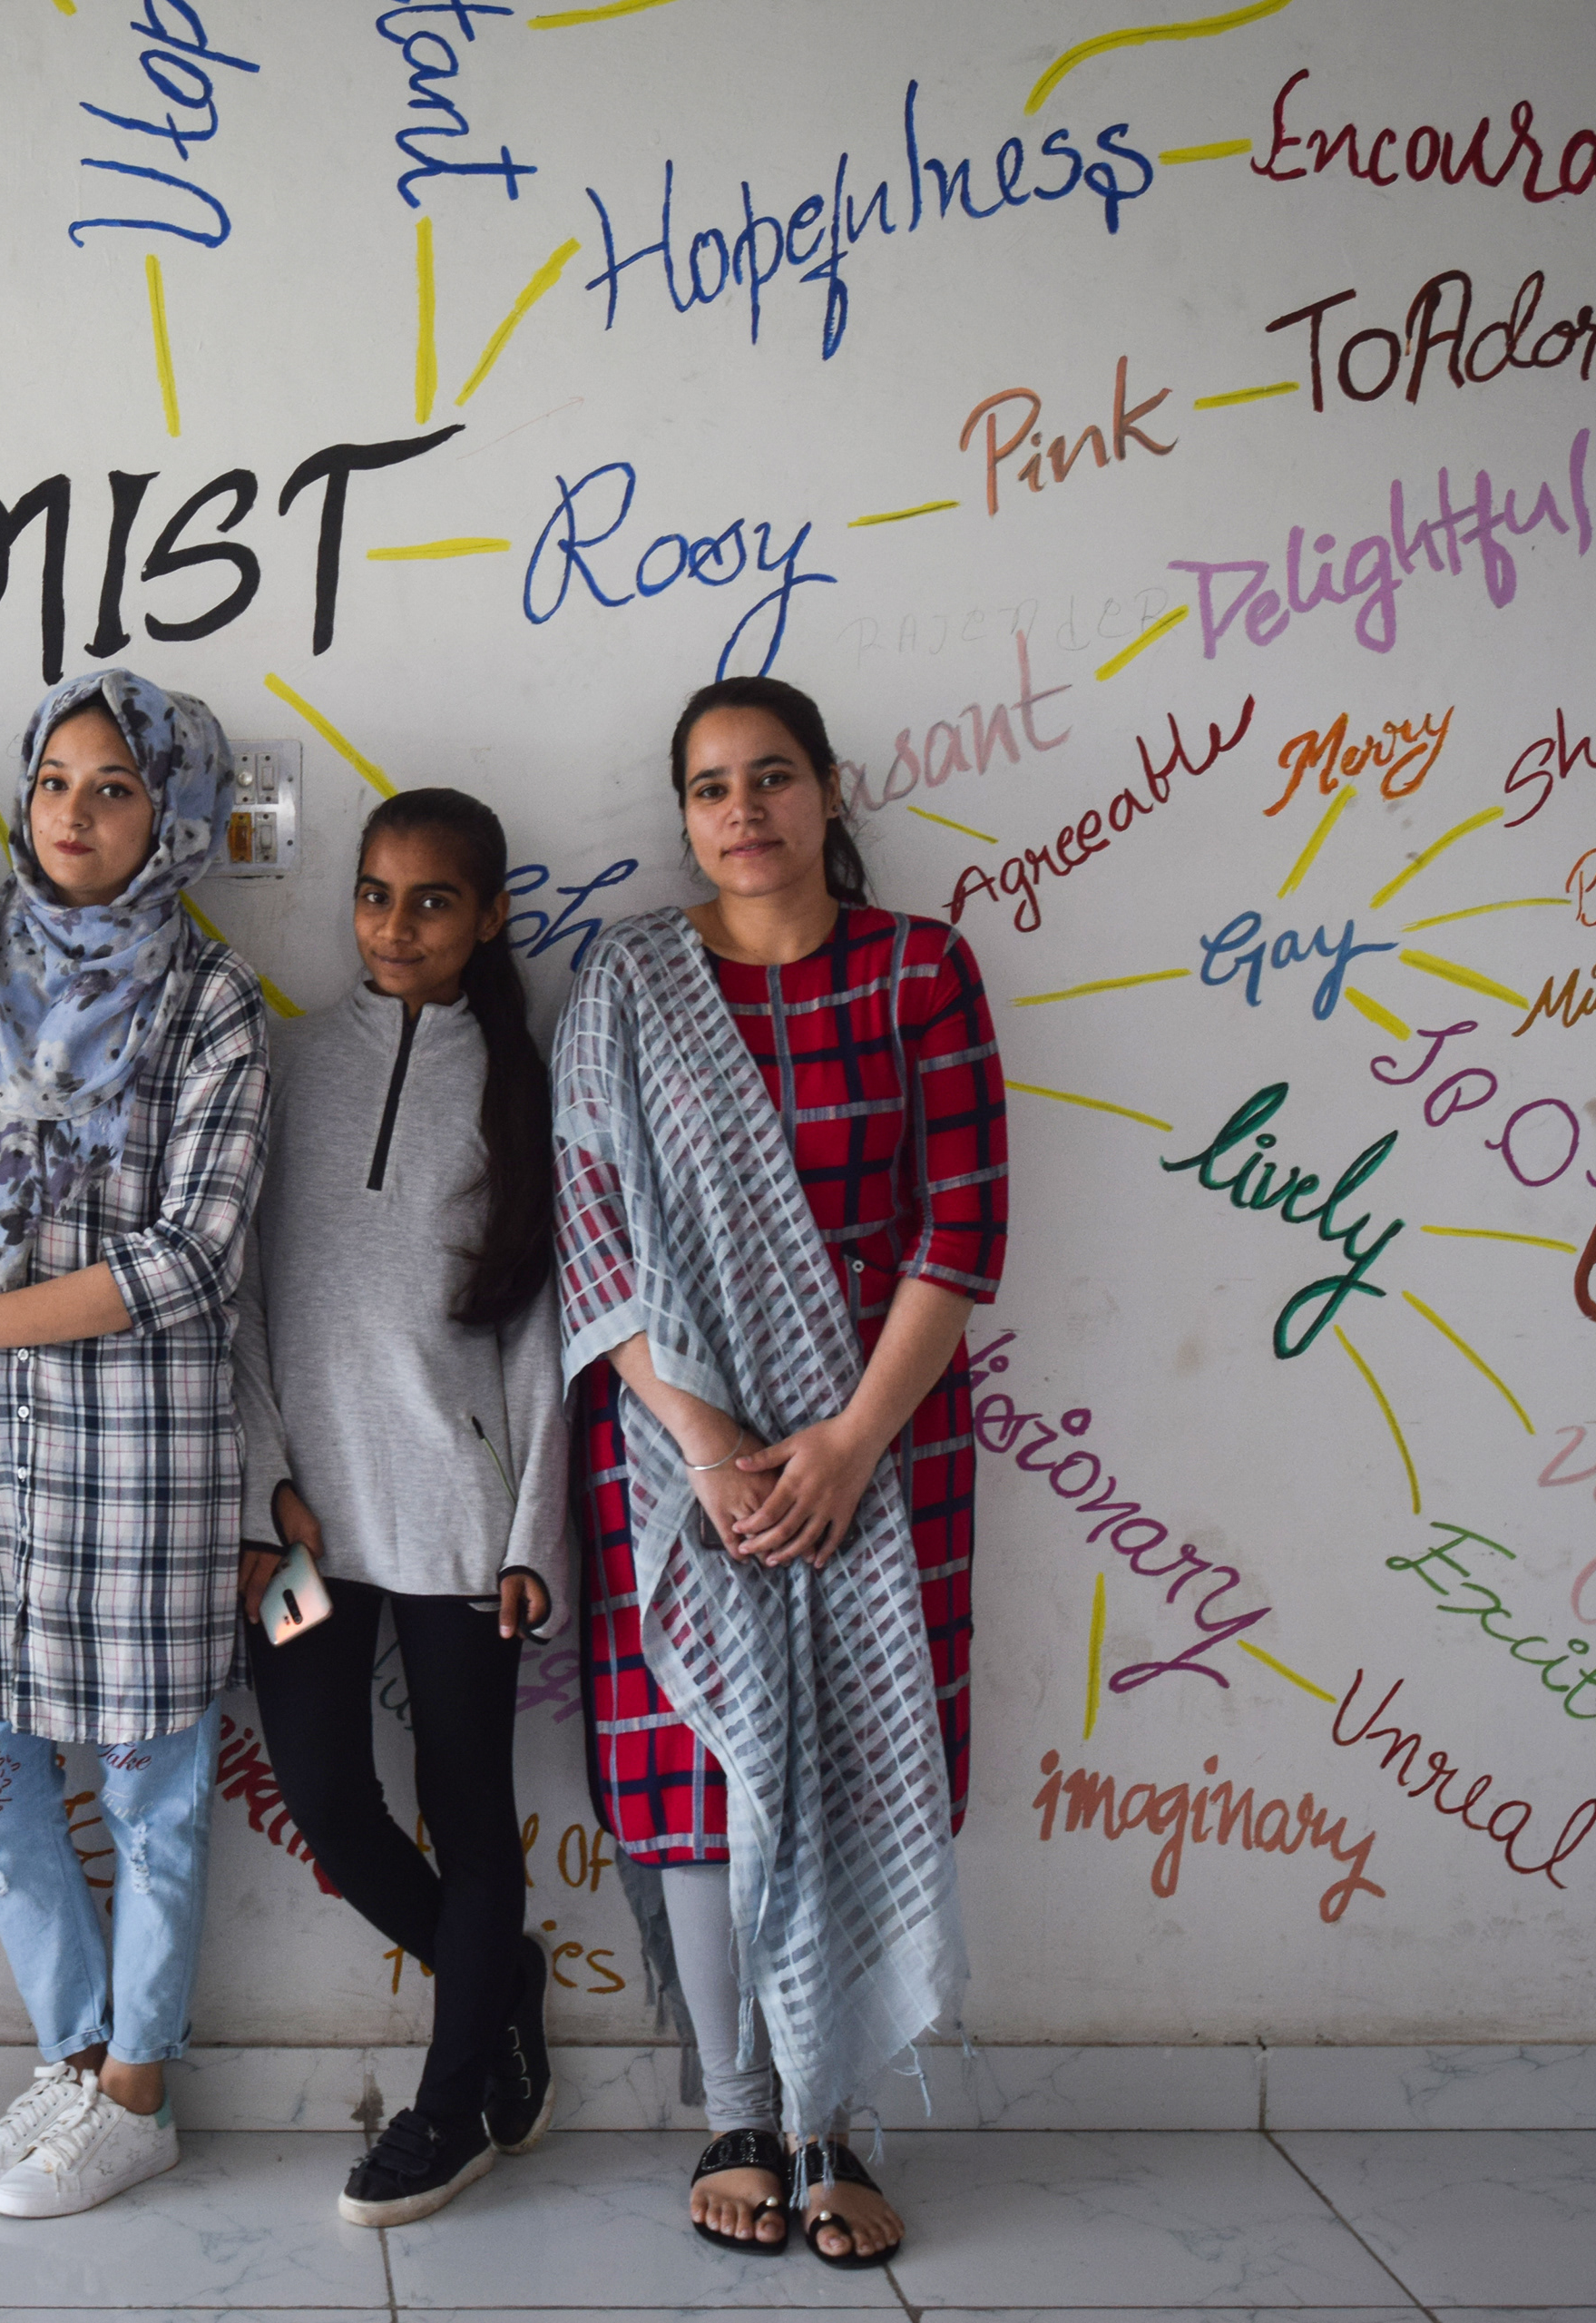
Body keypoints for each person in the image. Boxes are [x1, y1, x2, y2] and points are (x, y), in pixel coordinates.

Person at [553, 674, 1007, 2270]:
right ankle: (742, 2115)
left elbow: (964, 1224)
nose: (741, 811)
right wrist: (709, 1445)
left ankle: (835, 2128)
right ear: (684, 815)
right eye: (709, 787)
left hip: (881, 1445)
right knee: (700, 1777)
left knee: (852, 1759)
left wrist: (847, 1446)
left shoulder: (920, 971)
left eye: (770, 777)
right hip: (679, 1455)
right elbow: (591, 1236)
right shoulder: (629, 985)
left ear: (827, 790)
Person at [0, 669, 269, 2222]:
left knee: (154, 1786)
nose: (76, 814)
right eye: (54, 783)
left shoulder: (212, 999)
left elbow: (195, 1262)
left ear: (173, 811)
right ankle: (72, 2056)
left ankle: (140, 2094)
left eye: (115, 787)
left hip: (143, 1456)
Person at [231, 787, 573, 2227]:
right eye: (374, 893)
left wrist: (531, 1534)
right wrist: (264, 1483)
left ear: (488, 915)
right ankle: (499, 1982)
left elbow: (545, 1333)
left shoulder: (525, 1084)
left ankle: (448, 2113)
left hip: (456, 1524)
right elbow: (239, 1293)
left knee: (469, 1815)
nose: (395, 925)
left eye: (432, 900)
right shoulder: (286, 1060)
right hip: (301, 1525)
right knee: (326, 1799)